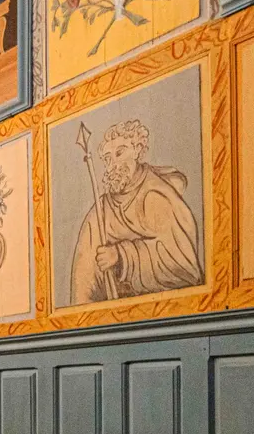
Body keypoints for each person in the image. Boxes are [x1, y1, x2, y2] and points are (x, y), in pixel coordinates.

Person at [69, 119, 202, 304]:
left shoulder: (154, 196)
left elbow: (180, 264)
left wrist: (121, 255)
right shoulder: (101, 210)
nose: (112, 163)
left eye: (119, 153)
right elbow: (84, 277)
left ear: (137, 150)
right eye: (107, 158)